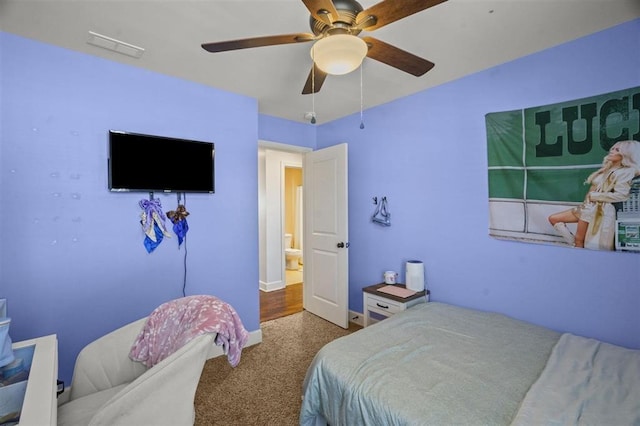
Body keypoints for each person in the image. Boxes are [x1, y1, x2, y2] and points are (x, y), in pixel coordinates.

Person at [548, 140, 640, 250]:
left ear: (626, 154)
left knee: (581, 240)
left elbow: (622, 195)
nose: (612, 151)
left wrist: (595, 196)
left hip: (596, 209)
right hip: (586, 207)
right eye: (613, 148)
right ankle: (577, 248)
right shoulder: (608, 168)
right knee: (554, 219)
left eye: (617, 150)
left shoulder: (625, 172)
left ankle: (581, 255)